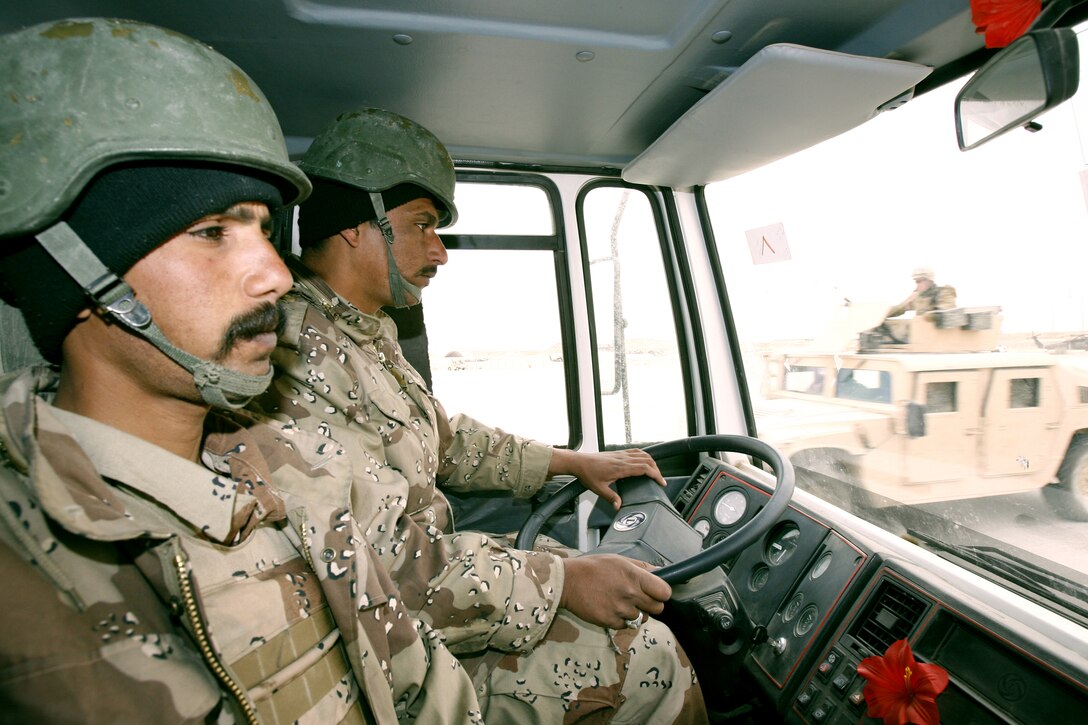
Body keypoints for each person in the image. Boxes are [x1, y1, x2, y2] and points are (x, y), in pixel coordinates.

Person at [0, 20, 481, 723]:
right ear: (79, 273)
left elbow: (420, 679)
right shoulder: (29, 578)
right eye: (211, 232)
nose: (277, 276)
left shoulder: (291, 462)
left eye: (262, 229)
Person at [251, 107, 706, 723]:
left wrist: (570, 461)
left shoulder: (360, 335)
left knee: (573, 555)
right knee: (650, 655)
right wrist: (561, 584)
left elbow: (448, 440)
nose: (440, 251)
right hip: (391, 657)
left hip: (421, 594)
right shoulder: (295, 354)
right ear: (358, 225)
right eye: (423, 225)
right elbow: (373, 561)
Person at [884, 266, 957, 320]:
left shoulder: (944, 292)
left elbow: (945, 309)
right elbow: (897, 310)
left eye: (920, 281)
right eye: (916, 282)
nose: (918, 285)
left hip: (938, 332)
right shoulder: (917, 296)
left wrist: (928, 315)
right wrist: (907, 301)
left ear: (929, 280)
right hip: (922, 331)